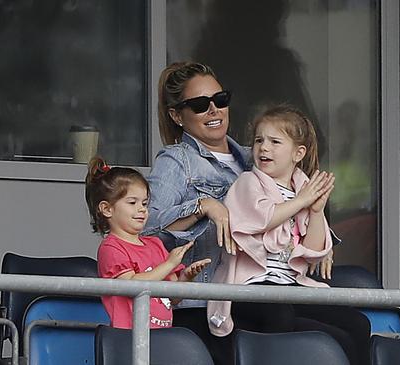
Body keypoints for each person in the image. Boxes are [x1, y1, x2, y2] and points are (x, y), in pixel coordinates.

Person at [207, 105, 370, 365]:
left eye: (274, 141)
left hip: (290, 287)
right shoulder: (248, 182)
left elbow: (314, 250)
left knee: (357, 324)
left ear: (298, 153)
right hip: (251, 288)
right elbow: (262, 218)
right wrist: (302, 201)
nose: (263, 148)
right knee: (282, 314)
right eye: (259, 140)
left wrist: (316, 211)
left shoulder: (303, 188)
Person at [143, 62, 251, 337]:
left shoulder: (255, 158)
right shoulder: (177, 160)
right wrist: (202, 206)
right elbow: (146, 228)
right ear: (177, 116)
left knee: (349, 328)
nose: (214, 110)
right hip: (201, 306)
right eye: (201, 104)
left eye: (220, 99)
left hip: (255, 296)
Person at [84, 157, 210, 329]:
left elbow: (174, 297)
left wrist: (186, 277)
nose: (142, 209)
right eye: (132, 202)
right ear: (107, 209)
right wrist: (170, 263)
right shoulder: (111, 248)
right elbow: (132, 286)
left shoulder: (155, 244)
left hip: (162, 336)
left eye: (144, 203)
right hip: (128, 338)